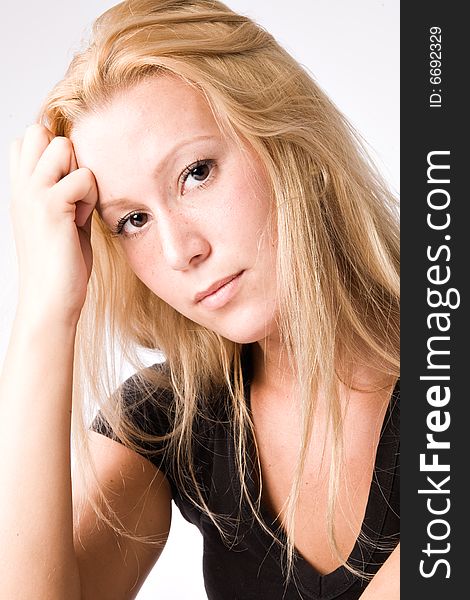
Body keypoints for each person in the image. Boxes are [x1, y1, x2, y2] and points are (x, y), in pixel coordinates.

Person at [0, 0, 400, 598]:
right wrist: (42, 313)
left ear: (290, 137)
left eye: (196, 172)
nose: (177, 250)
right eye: (132, 219)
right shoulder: (175, 416)